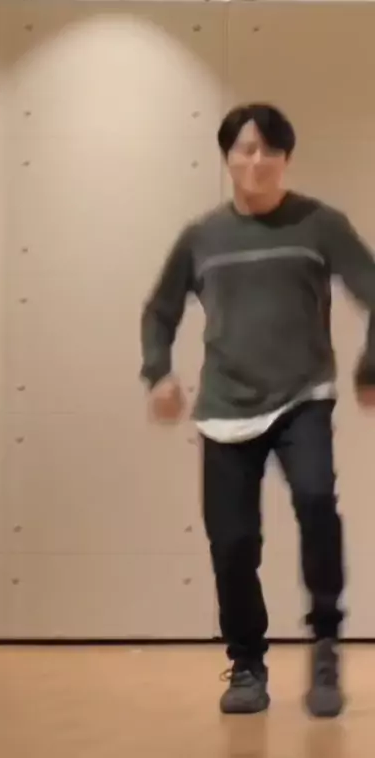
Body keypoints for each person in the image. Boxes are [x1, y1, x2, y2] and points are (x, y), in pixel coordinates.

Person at [139, 103, 375, 718]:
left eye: (270, 150)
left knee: (317, 503)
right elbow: (160, 311)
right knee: (233, 541)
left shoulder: (320, 225)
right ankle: (247, 663)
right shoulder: (202, 238)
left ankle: (325, 644)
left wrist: (370, 368)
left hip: (303, 396)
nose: (257, 161)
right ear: (228, 158)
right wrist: (158, 373)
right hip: (225, 408)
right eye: (245, 149)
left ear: (286, 158)